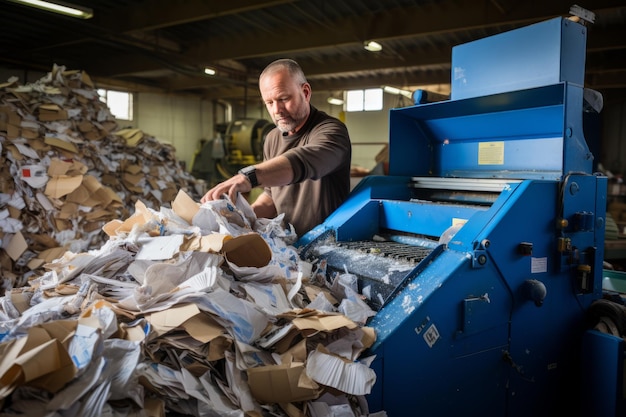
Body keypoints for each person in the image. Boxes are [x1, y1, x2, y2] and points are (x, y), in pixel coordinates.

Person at [201, 58, 352, 237]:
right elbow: (271, 198)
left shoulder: (331, 131)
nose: (277, 110)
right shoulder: (272, 138)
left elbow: (302, 161)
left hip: (328, 245)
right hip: (290, 244)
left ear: (305, 92)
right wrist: (242, 218)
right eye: (269, 102)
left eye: (283, 98)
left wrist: (249, 177)